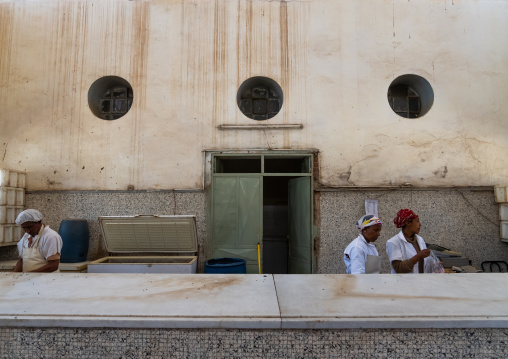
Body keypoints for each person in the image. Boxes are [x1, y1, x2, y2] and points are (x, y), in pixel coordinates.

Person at [386, 209, 431, 274]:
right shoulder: (394, 242)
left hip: (420, 282)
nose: (420, 224)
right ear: (408, 223)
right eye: (417, 221)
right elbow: (398, 268)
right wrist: (418, 257)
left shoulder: (420, 240)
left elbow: (423, 264)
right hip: (404, 283)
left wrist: (433, 265)